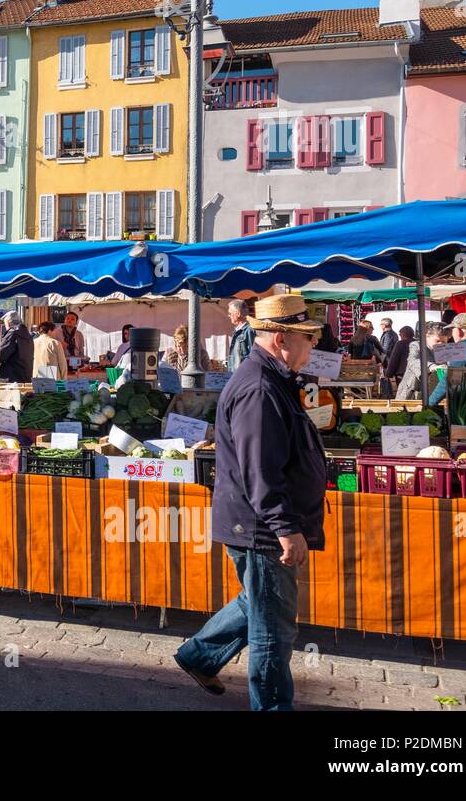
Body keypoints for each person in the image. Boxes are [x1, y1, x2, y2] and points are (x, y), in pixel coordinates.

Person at [174, 294, 326, 711]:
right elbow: (261, 469)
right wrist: (285, 528)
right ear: (281, 338)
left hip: (256, 523)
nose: (313, 346)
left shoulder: (272, 378)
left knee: (257, 601)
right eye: (307, 338)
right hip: (260, 527)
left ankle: (198, 656)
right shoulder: (259, 386)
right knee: (273, 631)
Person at [395, 322, 442, 401]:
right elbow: (413, 360)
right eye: (437, 341)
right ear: (427, 336)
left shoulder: (444, 349)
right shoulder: (416, 345)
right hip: (412, 392)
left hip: (434, 393)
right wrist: (431, 366)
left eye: (444, 341)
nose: (441, 344)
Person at [0, 311, 34, 382]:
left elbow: (1, 353)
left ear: (9, 323)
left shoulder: (12, 333)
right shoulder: (27, 334)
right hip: (25, 375)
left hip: (11, 376)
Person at [383, 325, 415, 393]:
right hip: (415, 373)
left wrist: (388, 374)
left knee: (403, 394)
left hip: (402, 374)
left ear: (403, 334)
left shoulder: (400, 344)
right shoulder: (418, 343)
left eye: (400, 334)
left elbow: (394, 360)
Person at [226, 299, 255, 371]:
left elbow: (253, 356)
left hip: (243, 376)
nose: (229, 316)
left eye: (230, 313)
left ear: (238, 314)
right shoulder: (237, 331)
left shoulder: (249, 330)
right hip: (236, 375)